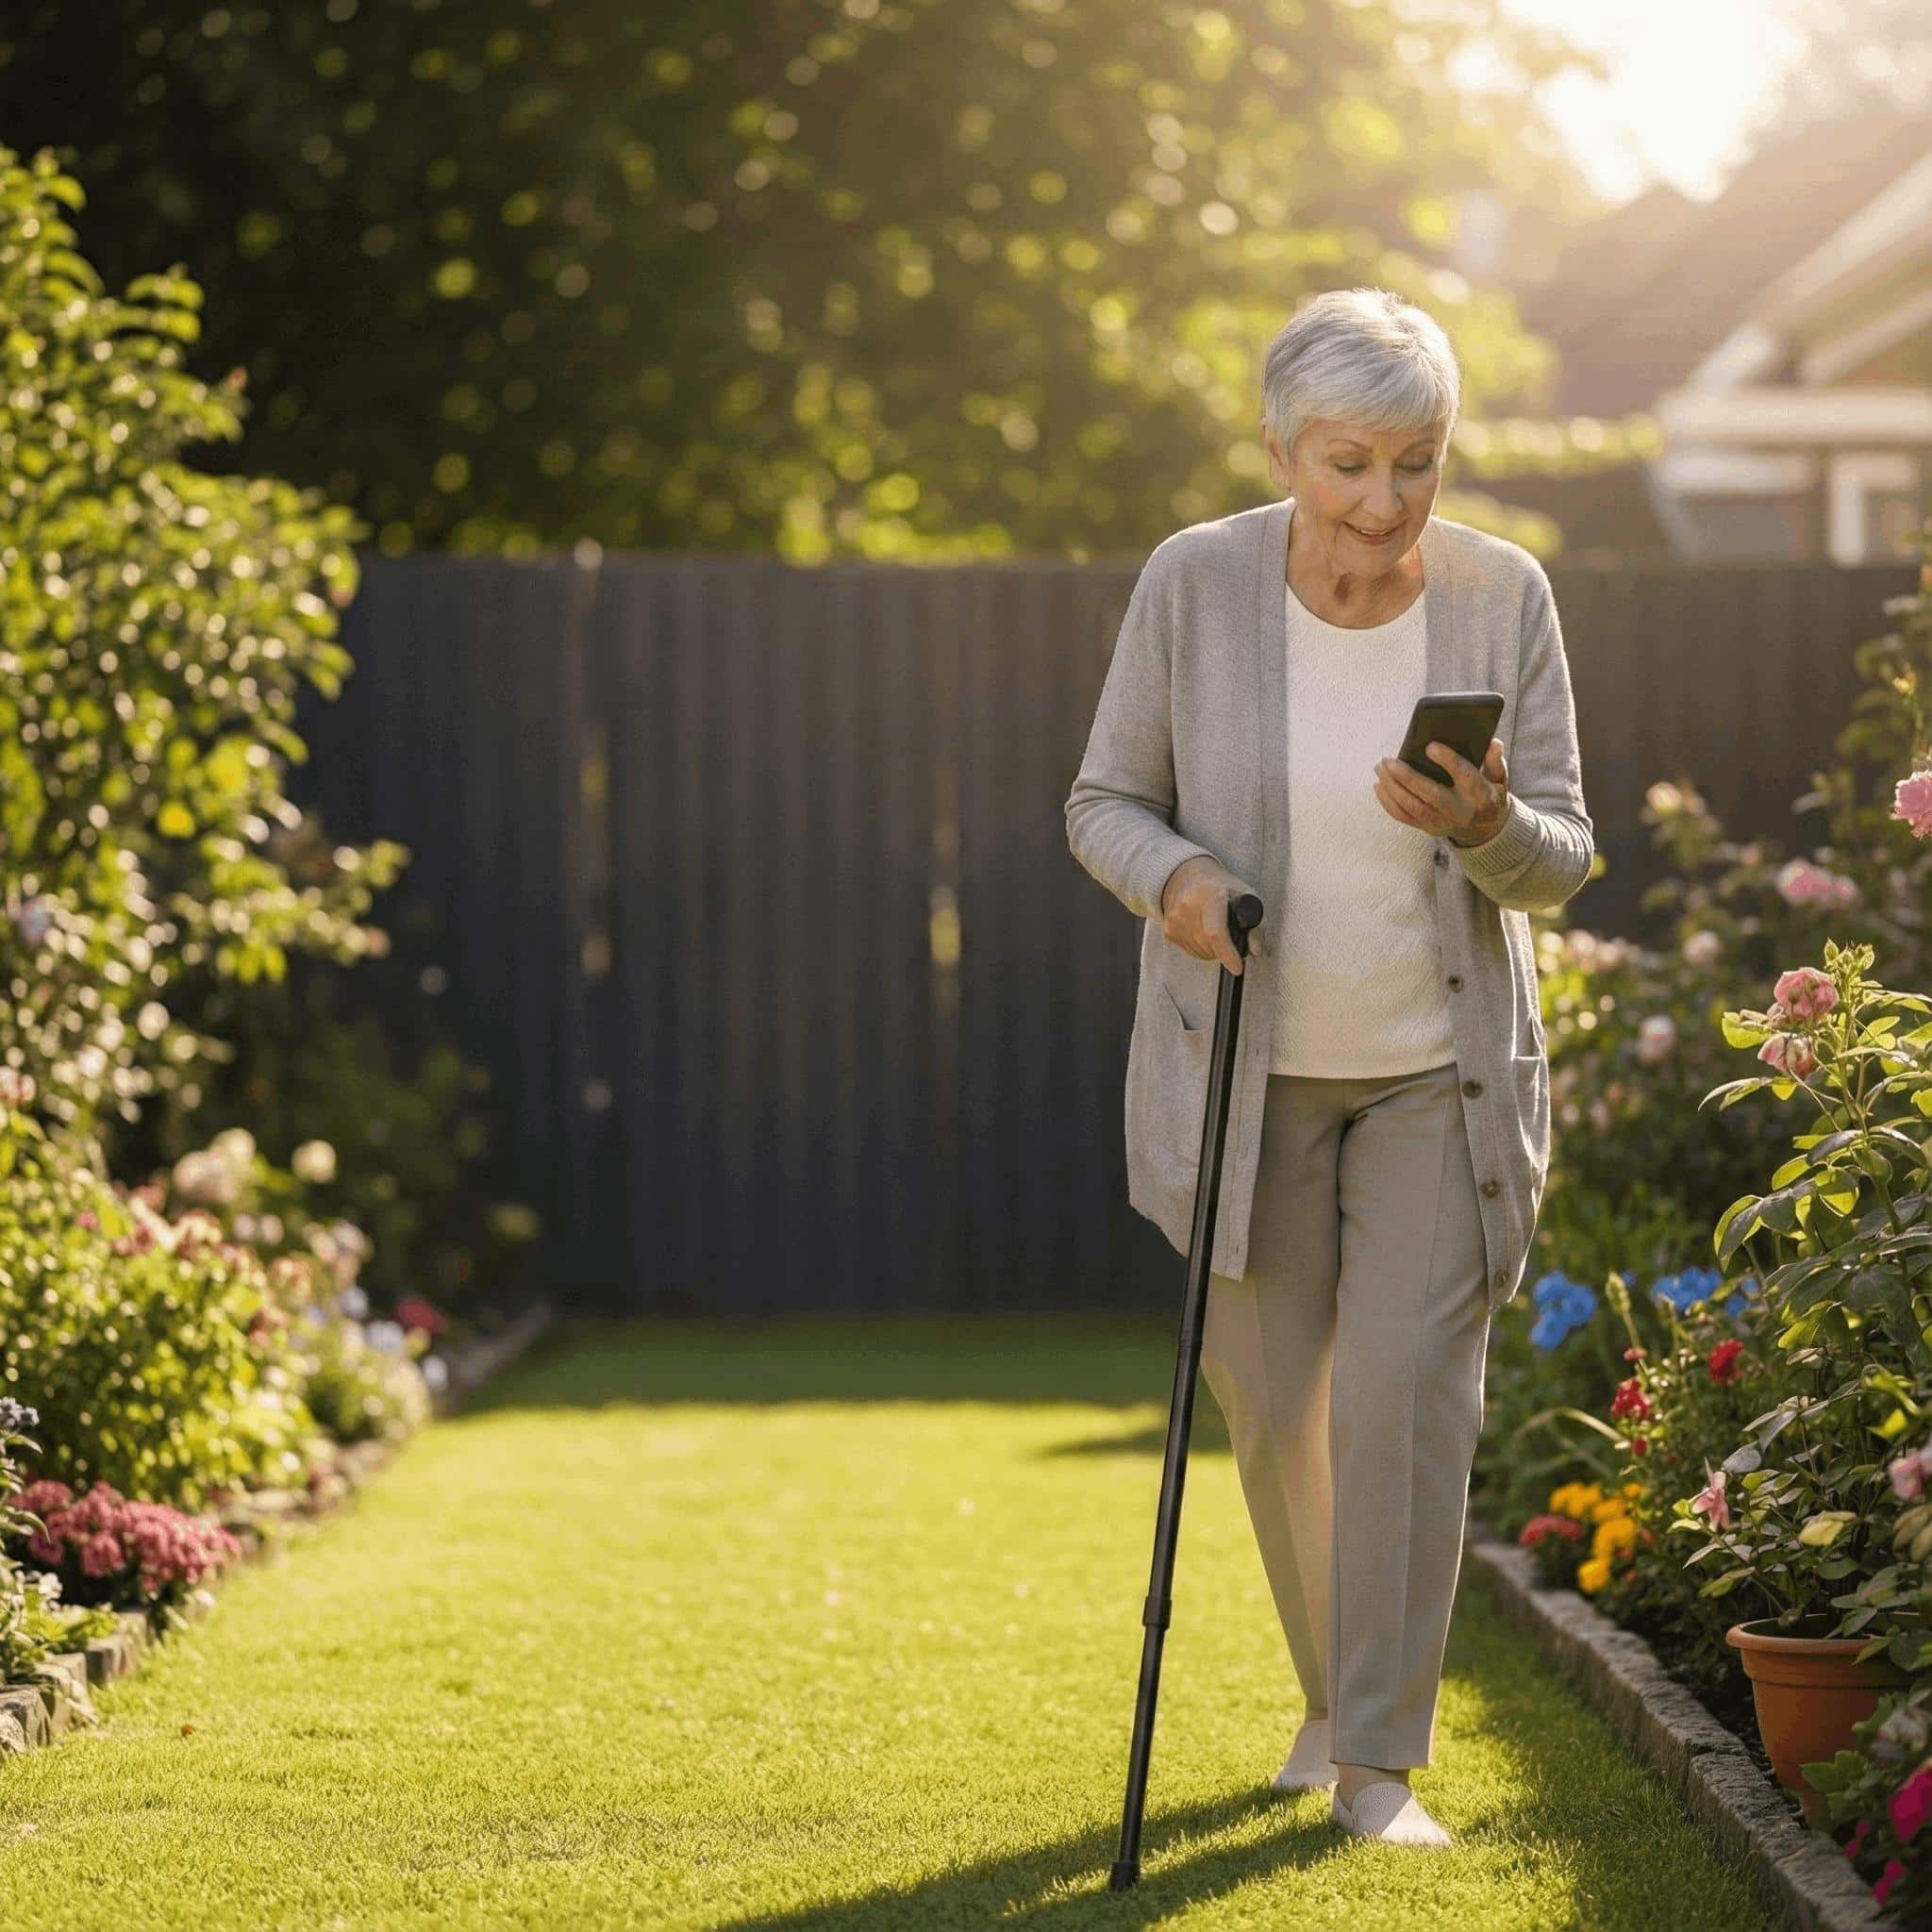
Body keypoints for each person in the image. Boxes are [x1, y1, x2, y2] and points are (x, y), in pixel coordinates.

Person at [1063, 286, 1593, 1847]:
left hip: (1440, 1072)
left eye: (1415, 462)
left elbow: (1562, 857)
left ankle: (1375, 1764)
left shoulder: (1504, 596)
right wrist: (1179, 883)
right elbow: (1103, 800)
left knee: (1401, 1394)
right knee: (1277, 1396)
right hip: (1244, 1066)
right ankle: (1328, 1700)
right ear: (1285, 446)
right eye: (1348, 463)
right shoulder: (1196, 585)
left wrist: (1486, 827)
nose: (1382, 501)